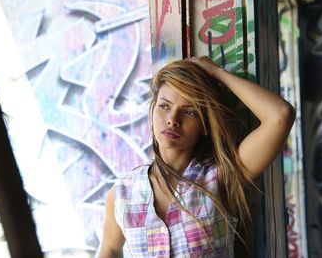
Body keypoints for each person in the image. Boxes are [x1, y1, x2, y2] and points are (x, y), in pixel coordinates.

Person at [99, 56, 296, 257]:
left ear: (204, 126)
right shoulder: (123, 193)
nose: (172, 120)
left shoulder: (220, 179)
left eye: (189, 112)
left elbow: (280, 116)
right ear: (152, 110)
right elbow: (110, 249)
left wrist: (217, 73)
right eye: (164, 106)